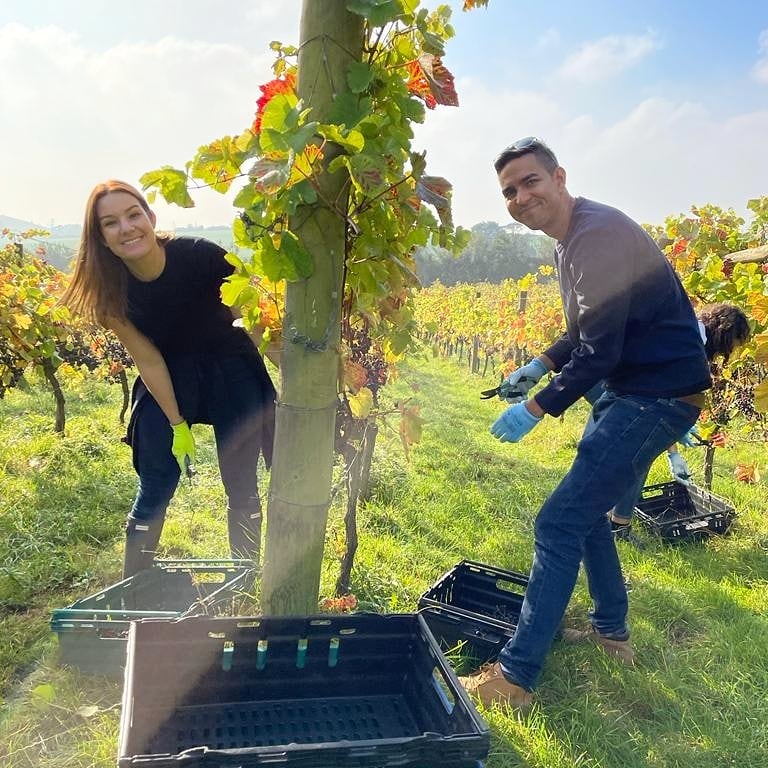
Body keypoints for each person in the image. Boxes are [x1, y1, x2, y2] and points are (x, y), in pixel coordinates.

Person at [459, 137, 712, 710]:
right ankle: (610, 635)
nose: (520, 197)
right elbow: (586, 329)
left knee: (557, 524)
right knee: (587, 512)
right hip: (640, 391)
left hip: (655, 396)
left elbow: (600, 352)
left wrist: (535, 407)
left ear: (559, 176)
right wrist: (540, 363)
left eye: (530, 182)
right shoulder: (573, 239)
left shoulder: (593, 235)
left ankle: (516, 678)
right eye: (509, 191)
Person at [61, 180, 276, 577]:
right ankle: (136, 585)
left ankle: (243, 580)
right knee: (158, 472)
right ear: (101, 239)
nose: (126, 228)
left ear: (151, 218)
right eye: (110, 223)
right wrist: (177, 423)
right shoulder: (110, 294)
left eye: (133, 215)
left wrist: (287, 360)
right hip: (170, 371)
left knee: (241, 480)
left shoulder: (203, 258)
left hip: (231, 367)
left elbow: (253, 319)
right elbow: (149, 359)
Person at [606, 303, 750, 540]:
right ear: (725, 331)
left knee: (636, 455)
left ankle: (613, 521)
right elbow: (661, 397)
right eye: (734, 340)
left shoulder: (693, 336)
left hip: (628, 385)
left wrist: (673, 439)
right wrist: (673, 452)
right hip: (618, 383)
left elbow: (664, 396)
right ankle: (615, 526)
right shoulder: (689, 344)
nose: (732, 349)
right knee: (637, 457)